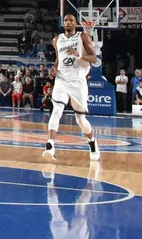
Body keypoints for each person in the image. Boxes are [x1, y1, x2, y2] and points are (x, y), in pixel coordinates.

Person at [42, 14, 100, 163]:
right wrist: (53, 69)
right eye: (66, 20)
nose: (68, 22)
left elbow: (94, 59)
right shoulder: (57, 39)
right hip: (61, 80)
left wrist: (79, 55)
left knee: (80, 120)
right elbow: (58, 60)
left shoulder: (83, 37)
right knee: (56, 110)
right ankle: (50, 146)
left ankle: (92, 141)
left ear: (76, 23)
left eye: (71, 21)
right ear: (63, 23)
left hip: (78, 82)